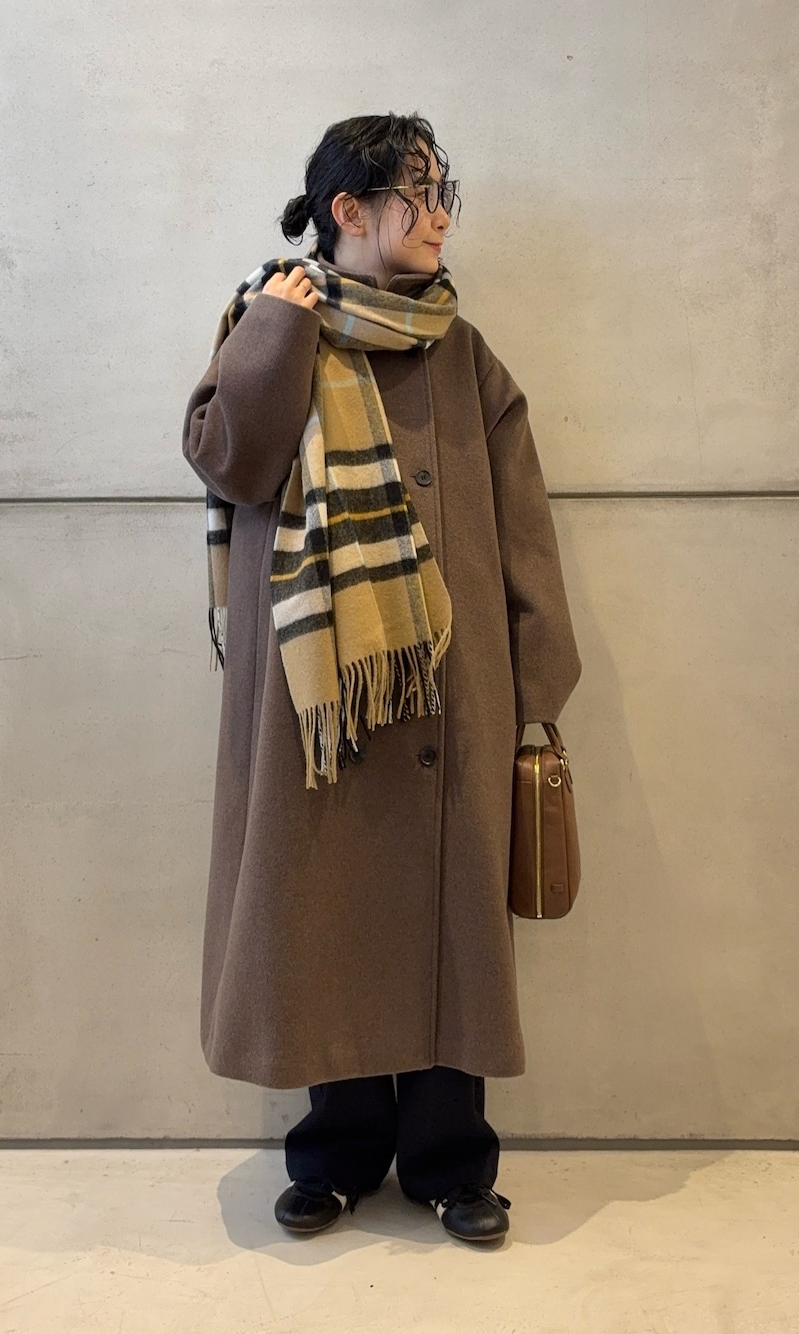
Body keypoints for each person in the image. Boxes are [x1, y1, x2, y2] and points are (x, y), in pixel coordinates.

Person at [182, 112, 581, 1246]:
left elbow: (521, 518)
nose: (443, 214)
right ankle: (337, 1154)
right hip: (323, 694)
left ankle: (453, 1161)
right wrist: (277, 328)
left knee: (454, 925)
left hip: (453, 686)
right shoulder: (271, 321)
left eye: (445, 191)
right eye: (420, 192)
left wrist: (533, 679)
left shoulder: (462, 349)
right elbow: (229, 458)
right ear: (349, 209)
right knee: (328, 914)